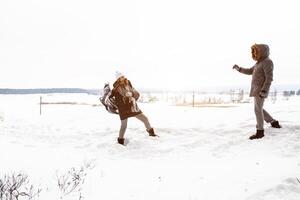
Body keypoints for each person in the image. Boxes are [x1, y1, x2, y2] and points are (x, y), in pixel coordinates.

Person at [233, 44, 281, 140]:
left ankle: (260, 132)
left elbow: (269, 78)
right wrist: (239, 69)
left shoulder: (267, 62)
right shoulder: (258, 63)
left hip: (261, 90)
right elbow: (250, 71)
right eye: (254, 52)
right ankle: (273, 122)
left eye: (256, 51)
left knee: (257, 109)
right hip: (256, 90)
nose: (254, 53)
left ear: (262, 51)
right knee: (259, 108)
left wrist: (264, 90)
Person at [109, 71, 157, 145]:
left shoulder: (128, 84)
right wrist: (124, 98)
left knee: (145, 119)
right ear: (118, 79)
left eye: (123, 76)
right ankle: (120, 141)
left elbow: (136, 93)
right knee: (124, 126)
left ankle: (151, 133)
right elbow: (112, 99)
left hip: (132, 107)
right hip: (123, 109)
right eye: (120, 77)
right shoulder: (116, 89)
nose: (122, 78)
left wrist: (131, 94)